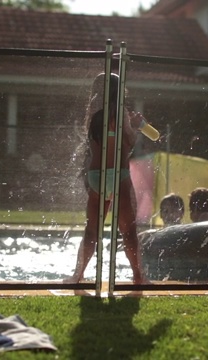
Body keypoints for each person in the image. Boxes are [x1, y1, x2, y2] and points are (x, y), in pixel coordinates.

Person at [65, 72, 150, 284]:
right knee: (128, 231)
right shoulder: (120, 112)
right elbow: (128, 143)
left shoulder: (93, 113)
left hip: (96, 175)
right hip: (118, 175)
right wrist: (137, 126)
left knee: (92, 229)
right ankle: (139, 277)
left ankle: (78, 275)